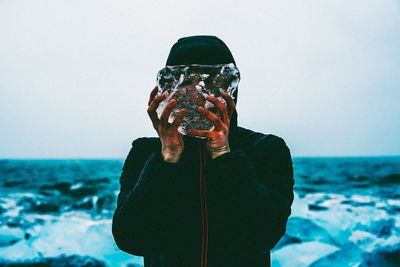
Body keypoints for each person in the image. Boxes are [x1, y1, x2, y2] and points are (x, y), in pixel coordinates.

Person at [112, 35, 295, 267]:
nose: (198, 93)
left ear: (230, 88)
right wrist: (167, 158)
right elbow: (130, 238)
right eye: (187, 81)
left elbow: (265, 233)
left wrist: (224, 155)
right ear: (170, 88)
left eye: (210, 82)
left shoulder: (266, 150)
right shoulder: (146, 152)